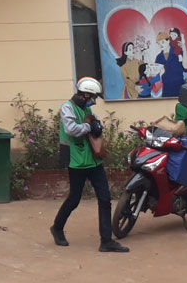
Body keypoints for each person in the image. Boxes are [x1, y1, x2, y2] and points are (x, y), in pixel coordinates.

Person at [50, 77, 130, 253]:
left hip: (94, 160)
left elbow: (95, 124)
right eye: (93, 97)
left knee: (105, 199)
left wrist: (97, 126)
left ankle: (106, 241)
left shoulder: (87, 109)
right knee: (74, 199)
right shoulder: (67, 107)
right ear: (85, 95)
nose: (94, 101)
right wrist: (89, 127)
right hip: (77, 161)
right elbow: (71, 129)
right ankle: (57, 227)